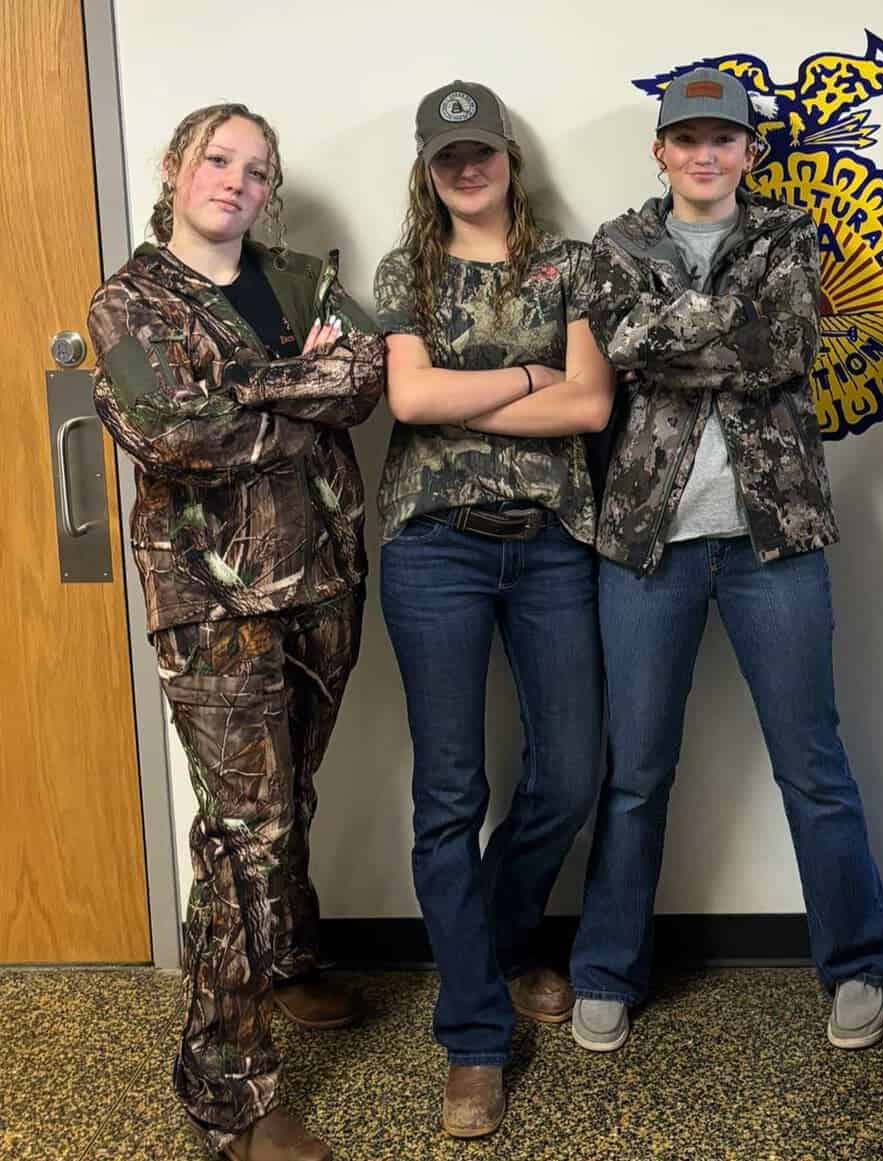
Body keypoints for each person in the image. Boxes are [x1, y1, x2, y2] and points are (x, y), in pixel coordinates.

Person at [566, 67, 883, 1053]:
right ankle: (605, 968)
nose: (704, 154)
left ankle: (858, 961)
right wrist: (719, 320)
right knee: (635, 772)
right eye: (687, 139)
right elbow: (620, 345)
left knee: (813, 763)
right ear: (660, 152)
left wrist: (668, 330)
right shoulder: (616, 244)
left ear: (749, 152)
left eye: (722, 139)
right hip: (646, 546)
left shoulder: (790, 234)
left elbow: (783, 348)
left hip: (774, 542)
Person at [88, 103, 384, 1161]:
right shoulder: (129, 302)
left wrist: (245, 386)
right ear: (176, 168)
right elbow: (173, 431)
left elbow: (366, 376)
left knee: (283, 804)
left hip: (324, 582)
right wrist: (295, 383)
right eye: (218, 159)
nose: (236, 181)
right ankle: (231, 1093)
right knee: (245, 833)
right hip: (214, 608)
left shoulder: (298, 277)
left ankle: (287, 968)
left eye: (257, 170)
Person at [371, 81, 614, 1139]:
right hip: (434, 549)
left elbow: (590, 403)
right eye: (447, 157)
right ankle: (472, 1034)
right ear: (428, 172)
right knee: (448, 795)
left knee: (570, 772)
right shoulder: (405, 272)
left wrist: (468, 399)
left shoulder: (571, 265)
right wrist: (525, 374)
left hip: (553, 544)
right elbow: (409, 399)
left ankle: (504, 943)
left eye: (481, 151)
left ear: (509, 157)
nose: (466, 169)